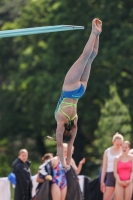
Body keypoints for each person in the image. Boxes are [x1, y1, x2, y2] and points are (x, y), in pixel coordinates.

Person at [55, 18, 102, 170]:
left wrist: (67, 163)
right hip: (69, 90)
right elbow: (60, 146)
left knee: (91, 58)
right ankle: (94, 33)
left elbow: (70, 145)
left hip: (80, 91)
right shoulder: (60, 121)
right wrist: (63, 163)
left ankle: (98, 35)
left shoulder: (74, 122)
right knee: (84, 57)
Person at [100, 132, 124, 200]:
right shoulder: (107, 151)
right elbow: (104, 167)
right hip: (110, 175)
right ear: (113, 142)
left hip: (120, 175)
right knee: (106, 197)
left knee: (118, 198)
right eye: (117, 144)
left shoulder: (123, 150)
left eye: (120, 144)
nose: (119, 146)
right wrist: (102, 182)